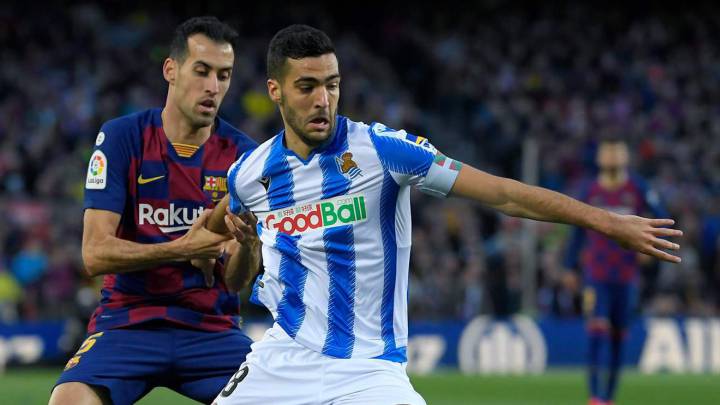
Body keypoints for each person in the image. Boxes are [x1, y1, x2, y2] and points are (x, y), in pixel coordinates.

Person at [207, 25, 682, 405]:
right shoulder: (250, 175)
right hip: (283, 359)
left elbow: (503, 193)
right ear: (275, 90)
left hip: (369, 370)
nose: (323, 101)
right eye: (306, 87)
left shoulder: (384, 150)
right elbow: (231, 277)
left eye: (331, 85)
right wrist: (239, 250)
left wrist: (607, 220)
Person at [49, 16, 261, 405]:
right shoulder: (121, 138)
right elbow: (94, 254)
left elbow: (233, 282)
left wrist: (249, 247)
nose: (213, 87)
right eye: (202, 71)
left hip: (212, 329)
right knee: (69, 400)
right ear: (171, 70)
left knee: (287, 398)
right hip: (128, 323)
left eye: (224, 75)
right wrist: (184, 248)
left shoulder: (244, 157)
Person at [565, 138, 666, 405]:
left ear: (624, 155)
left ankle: (608, 397)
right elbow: (576, 230)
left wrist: (650, 247)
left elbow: (661, 216)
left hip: (626, 276)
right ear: (599, 157)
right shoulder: (590, 190)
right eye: (606, 151)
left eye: (615, 151)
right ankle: (595, 397)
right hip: (596, 275)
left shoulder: (638, 188)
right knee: (597, 332)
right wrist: (569, 266)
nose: (611, 156)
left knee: (619, 338)